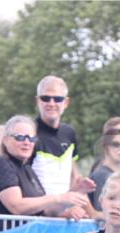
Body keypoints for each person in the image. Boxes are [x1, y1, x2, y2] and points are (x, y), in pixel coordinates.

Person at [0, 115, 87, 218]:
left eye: (31, 139)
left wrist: (71, 195)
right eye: (20, 137)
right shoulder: (2, 163)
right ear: (6, 140)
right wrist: (57, 198)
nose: (27, 142)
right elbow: (17, 207)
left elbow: (45, 211)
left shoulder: (27, 168)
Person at [32, 75, 95, 210]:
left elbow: (75, 175)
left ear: (66, 103)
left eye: (58, 99)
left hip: (61, 213)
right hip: (35, 214)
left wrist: (91, 212)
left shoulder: (69, 132)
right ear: (38, 101)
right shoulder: (29, 132)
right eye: (45, 98)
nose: (51, 103)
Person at [89, 123, 120, 213]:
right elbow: (101, 210)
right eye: (116, 144)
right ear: (105, 148)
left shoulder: (118, 175)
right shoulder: (102, 175)